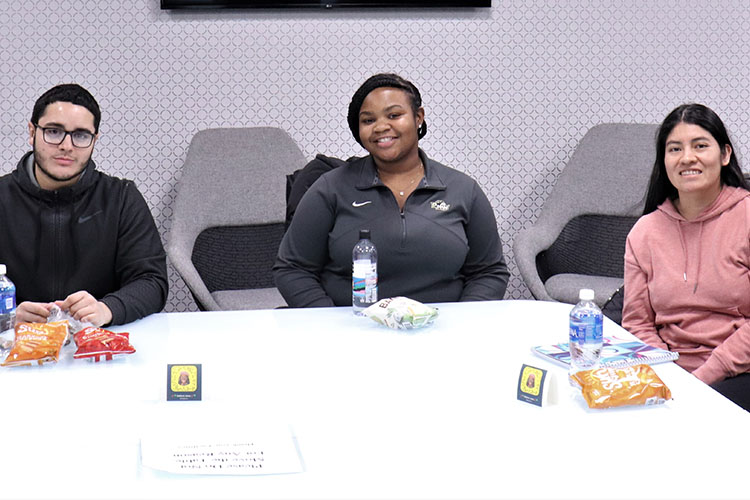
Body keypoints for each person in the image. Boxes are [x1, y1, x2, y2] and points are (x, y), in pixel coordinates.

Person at [274, 73, 509, 307]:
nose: (381, 127)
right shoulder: (330, 188)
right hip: (353, 331)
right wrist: (330, 324)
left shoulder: (462, 189)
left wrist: (463, 321)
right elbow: (293, 268)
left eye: (394, 115)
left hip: (442, 331)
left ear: (418, 117)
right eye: (368, 120)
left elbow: (489, 272)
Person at [0, 84, 168, 327]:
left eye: (80, 135)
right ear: (31, 132)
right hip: (16, 347)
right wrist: (7, 315)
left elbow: (152, 282)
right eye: (54, 131)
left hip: (99, 343)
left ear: (94, 140)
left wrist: (106, 308)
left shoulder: (121, 197)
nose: (67, 145)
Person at [623, 103, 750, 411]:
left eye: (700, 145)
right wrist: (667, 374)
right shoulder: (645, 231)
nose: (687, 157)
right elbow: (637, 322)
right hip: (667, 372)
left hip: (738, 371)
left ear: (725, 155)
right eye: (675, 149)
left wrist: (701, 379)